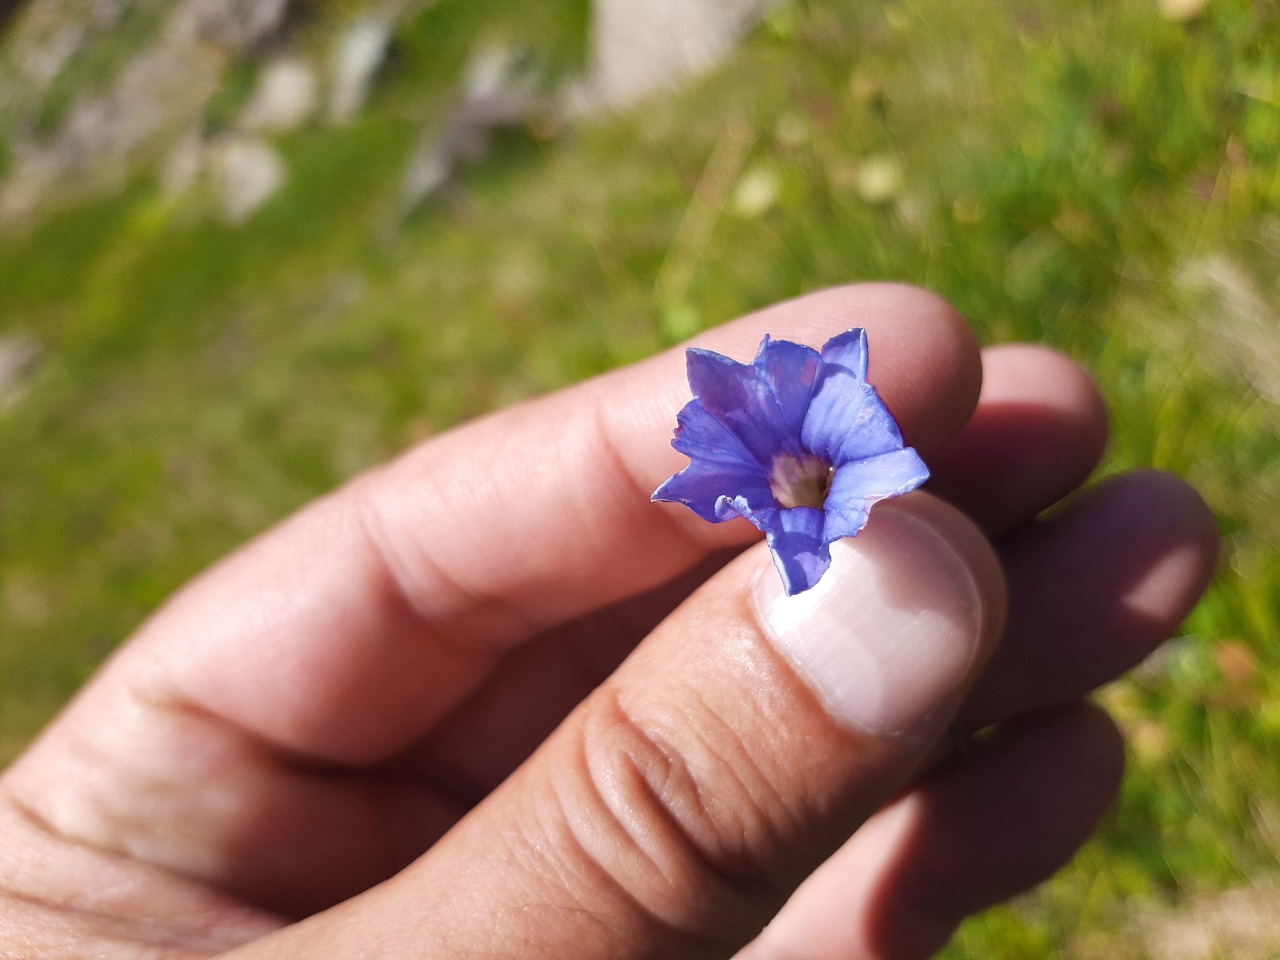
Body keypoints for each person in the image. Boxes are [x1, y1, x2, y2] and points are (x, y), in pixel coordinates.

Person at [0, 284, 1218, 959]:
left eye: (797, 474)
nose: (786, 481)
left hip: (870, 497)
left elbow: (843, 466)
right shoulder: (779, 471)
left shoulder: (839, 458)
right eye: (775, 478)